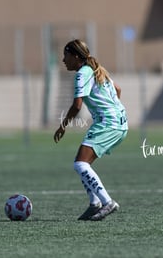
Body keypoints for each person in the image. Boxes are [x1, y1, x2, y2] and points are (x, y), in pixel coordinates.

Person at [54, 39, 128, 221]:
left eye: (66, 56)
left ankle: (107, 202)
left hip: (108, 123)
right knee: (83, 164)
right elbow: (117, 89)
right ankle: (94, 204)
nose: (63, 60)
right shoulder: (97, 69)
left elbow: (77, 105)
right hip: (119, 122)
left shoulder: (82, 73)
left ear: (76, 56)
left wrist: (63, 126)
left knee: (80, 164)